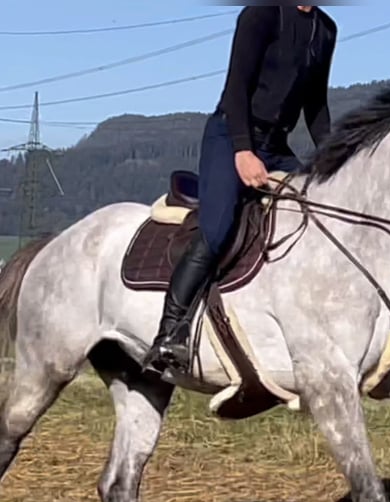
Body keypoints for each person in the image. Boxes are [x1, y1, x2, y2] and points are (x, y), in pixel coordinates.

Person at [142, 5, 337, 374]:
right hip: (232, 134)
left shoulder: (326, 29)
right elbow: (236, 87)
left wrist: (334, 159)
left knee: (317, 212)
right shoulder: (261, 14)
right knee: (217, 230)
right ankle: (169, 334)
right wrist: (243, 151)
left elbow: (316, 106)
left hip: (277, 148)